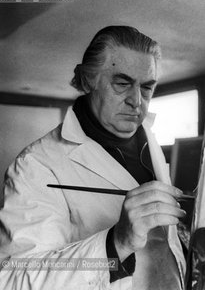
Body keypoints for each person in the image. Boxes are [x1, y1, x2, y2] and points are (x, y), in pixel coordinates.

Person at [0, 26, 186, 289]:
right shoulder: (36, 165)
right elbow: (14, 279)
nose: (136, 101)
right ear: (88, 80)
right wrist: (114, 245)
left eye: (147, 87)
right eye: (122, 84)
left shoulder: (149, 137)